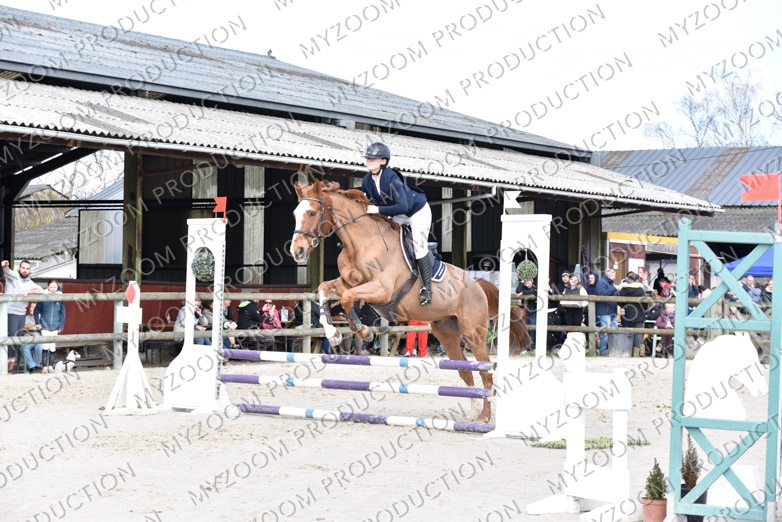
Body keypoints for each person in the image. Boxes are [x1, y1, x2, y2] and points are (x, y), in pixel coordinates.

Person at [361, 142, 434, 307]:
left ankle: (427, 290)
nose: (369, 161)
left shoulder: (392, 178)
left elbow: (403, 206)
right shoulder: (367, 179)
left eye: (373, 158)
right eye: (368, 158)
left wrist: (377, 209)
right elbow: (364, 201)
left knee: (419, 246)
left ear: (384, 161)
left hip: (416, 212)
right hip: (396, 214)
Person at [2, 259, 43, 370]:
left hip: (21, 313)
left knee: (15, 341)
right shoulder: (13, 276)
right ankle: (6, 368)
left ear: (29, 270)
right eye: (23, 268)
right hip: (11, 312)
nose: (25, 270)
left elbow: (40, 290)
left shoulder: (29, 282)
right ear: (19, 268)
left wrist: (28, 292)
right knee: (11, 339)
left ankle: (10, 368)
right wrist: (5, 266)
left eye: (27, 269)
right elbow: (6, 271)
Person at [34, 280, 66, 373]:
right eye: (51, 287)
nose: (53, 289)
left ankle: (51, 367)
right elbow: (36, 310)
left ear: (57, 287)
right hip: (44, 326)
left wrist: (61, 326)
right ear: (48, 287)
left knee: (52, 347)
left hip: (55, 326)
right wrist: (38, 322)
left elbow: (63, 313)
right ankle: (45, 367)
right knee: (45, 346)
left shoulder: (60, 298)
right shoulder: (43, 297)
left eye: (54, 287)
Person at [619, 272, 646, 357]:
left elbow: (619, 301)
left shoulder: (623, 289)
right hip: (639, 311)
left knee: (630, 332)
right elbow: (644, 302)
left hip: (628, 312)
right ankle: (637, 351)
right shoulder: (640, 289)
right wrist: (644, 309)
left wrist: (625, 306)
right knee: (639, 332)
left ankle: (630, 350)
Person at [595, 268, 619, 356]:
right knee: (605, 332)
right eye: (614, 276)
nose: (615, 277)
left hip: (612, 310)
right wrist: (614, 288)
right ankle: (603, 351)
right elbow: (602, 294)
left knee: (614, 331)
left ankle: (613, 350)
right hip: (604, 311)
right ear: (609, 275)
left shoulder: (610, 283)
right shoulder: (601, 282)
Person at [515, 278, 537, 350]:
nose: (526, 282)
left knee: (532, 331)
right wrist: (521, 282)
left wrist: (522, 293)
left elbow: (533, 292)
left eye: (528, 280)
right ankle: (526, 348)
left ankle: (531, 348)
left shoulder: (535, 288)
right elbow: (517, 290)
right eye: (525, 280)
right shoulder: (523, 287)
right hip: (524, 313)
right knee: (524, 331)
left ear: (532, 281)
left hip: (532, 313)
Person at [21, 302, 43, 373]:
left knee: (39, 346)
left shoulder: (42, 318)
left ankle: (36, 365)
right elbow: (22, 329)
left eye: (33, 307)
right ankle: (32, 367)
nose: (30, 309)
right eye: (30, 307)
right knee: (23, 347)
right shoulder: (26, 318)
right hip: (29, 340)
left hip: (39, 341)